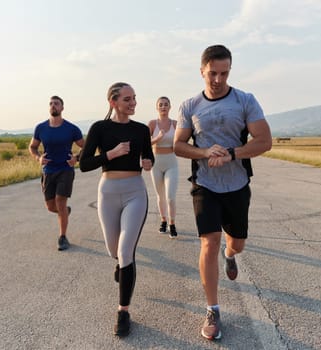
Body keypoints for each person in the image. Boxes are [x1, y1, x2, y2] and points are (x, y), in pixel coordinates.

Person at [173, 45, 272, 341]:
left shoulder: (245, 100)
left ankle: (231, 255)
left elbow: (264, 140)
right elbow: (178, 145)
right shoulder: (189, 105)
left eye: (224, 73)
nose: (218, 79)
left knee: (236, 243)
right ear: (202, 70)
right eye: (212, 73)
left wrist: (231, 153)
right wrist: (204, 151)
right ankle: (213, 309)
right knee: (209, 242)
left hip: (237, 184)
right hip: (205, 184)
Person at [79, 82, 154, 337]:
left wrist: (148, 162)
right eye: (127, 99)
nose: (133, 103)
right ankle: (121, 266)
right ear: (113, 102)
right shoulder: (100, 128)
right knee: (113, 250)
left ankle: (123, 311)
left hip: (135, 192)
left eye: (134, 98)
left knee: (125, 251)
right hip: (108, 192)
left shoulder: (141, 129)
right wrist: (110, 155)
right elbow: (84, 164)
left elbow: (149, 156)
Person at [29, 95, 84, 251]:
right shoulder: (41, 128)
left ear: (62, 108)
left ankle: (63, 237)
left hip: (65, 170)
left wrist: (77, 158)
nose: (53, 106)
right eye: (51, 104)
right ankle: (65, 212)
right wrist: (38, 158)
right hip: (48, 171)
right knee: (51, 207)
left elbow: (86, 146)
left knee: (60, 201)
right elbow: (32, 147)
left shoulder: (71, 128)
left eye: (57, 103)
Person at [147, 96, 179, 238]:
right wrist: (157, 139)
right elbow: (145, 144)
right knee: (160, 196)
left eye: (166, 104)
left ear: (170, 107)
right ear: (157, 107)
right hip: (156, 163)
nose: (163, 107)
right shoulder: (152, 124)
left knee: (170, 196)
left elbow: (181, 142)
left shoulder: (176, 124)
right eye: (160, 105)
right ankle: (163, 221)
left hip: (171, 162)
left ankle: (172, 223)